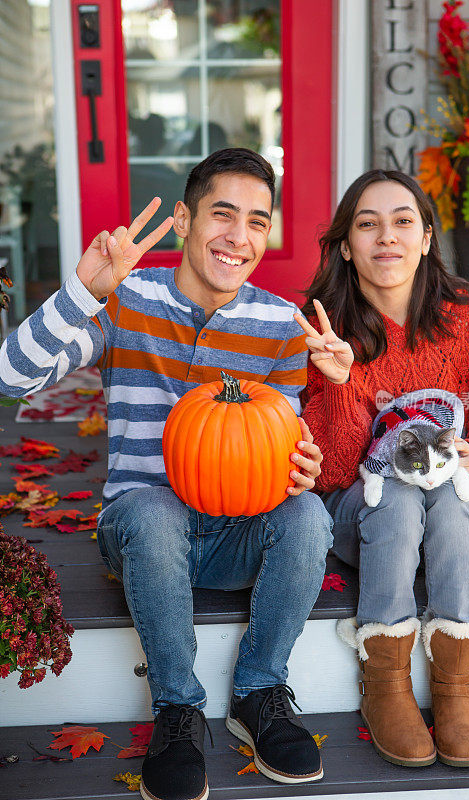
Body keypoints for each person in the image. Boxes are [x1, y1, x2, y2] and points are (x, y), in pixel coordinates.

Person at [0, 148, 333, 800]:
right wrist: (83, 292)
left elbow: (276, 441)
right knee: (154, 512)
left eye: (257, 222)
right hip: (143, 534)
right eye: (222, 214)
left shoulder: (279, 325)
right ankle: (177, 711)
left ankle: (259, 690)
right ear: (184, 218)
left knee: (309, 515)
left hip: (237, 536)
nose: (239, 237)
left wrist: (304, 467)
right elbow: (11, 378)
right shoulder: (127, 301)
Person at [295, 169, 469, 769]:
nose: (387, 237)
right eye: (367, 224)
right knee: (396, 496)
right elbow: (332, 471)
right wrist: (341, 381)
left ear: (427, 237)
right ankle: (387, 687)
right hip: (368, 514)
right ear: (346, 245)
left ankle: (456, 692)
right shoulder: (324, 330)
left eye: (403, 222)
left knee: (451, 501)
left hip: (453, 503)